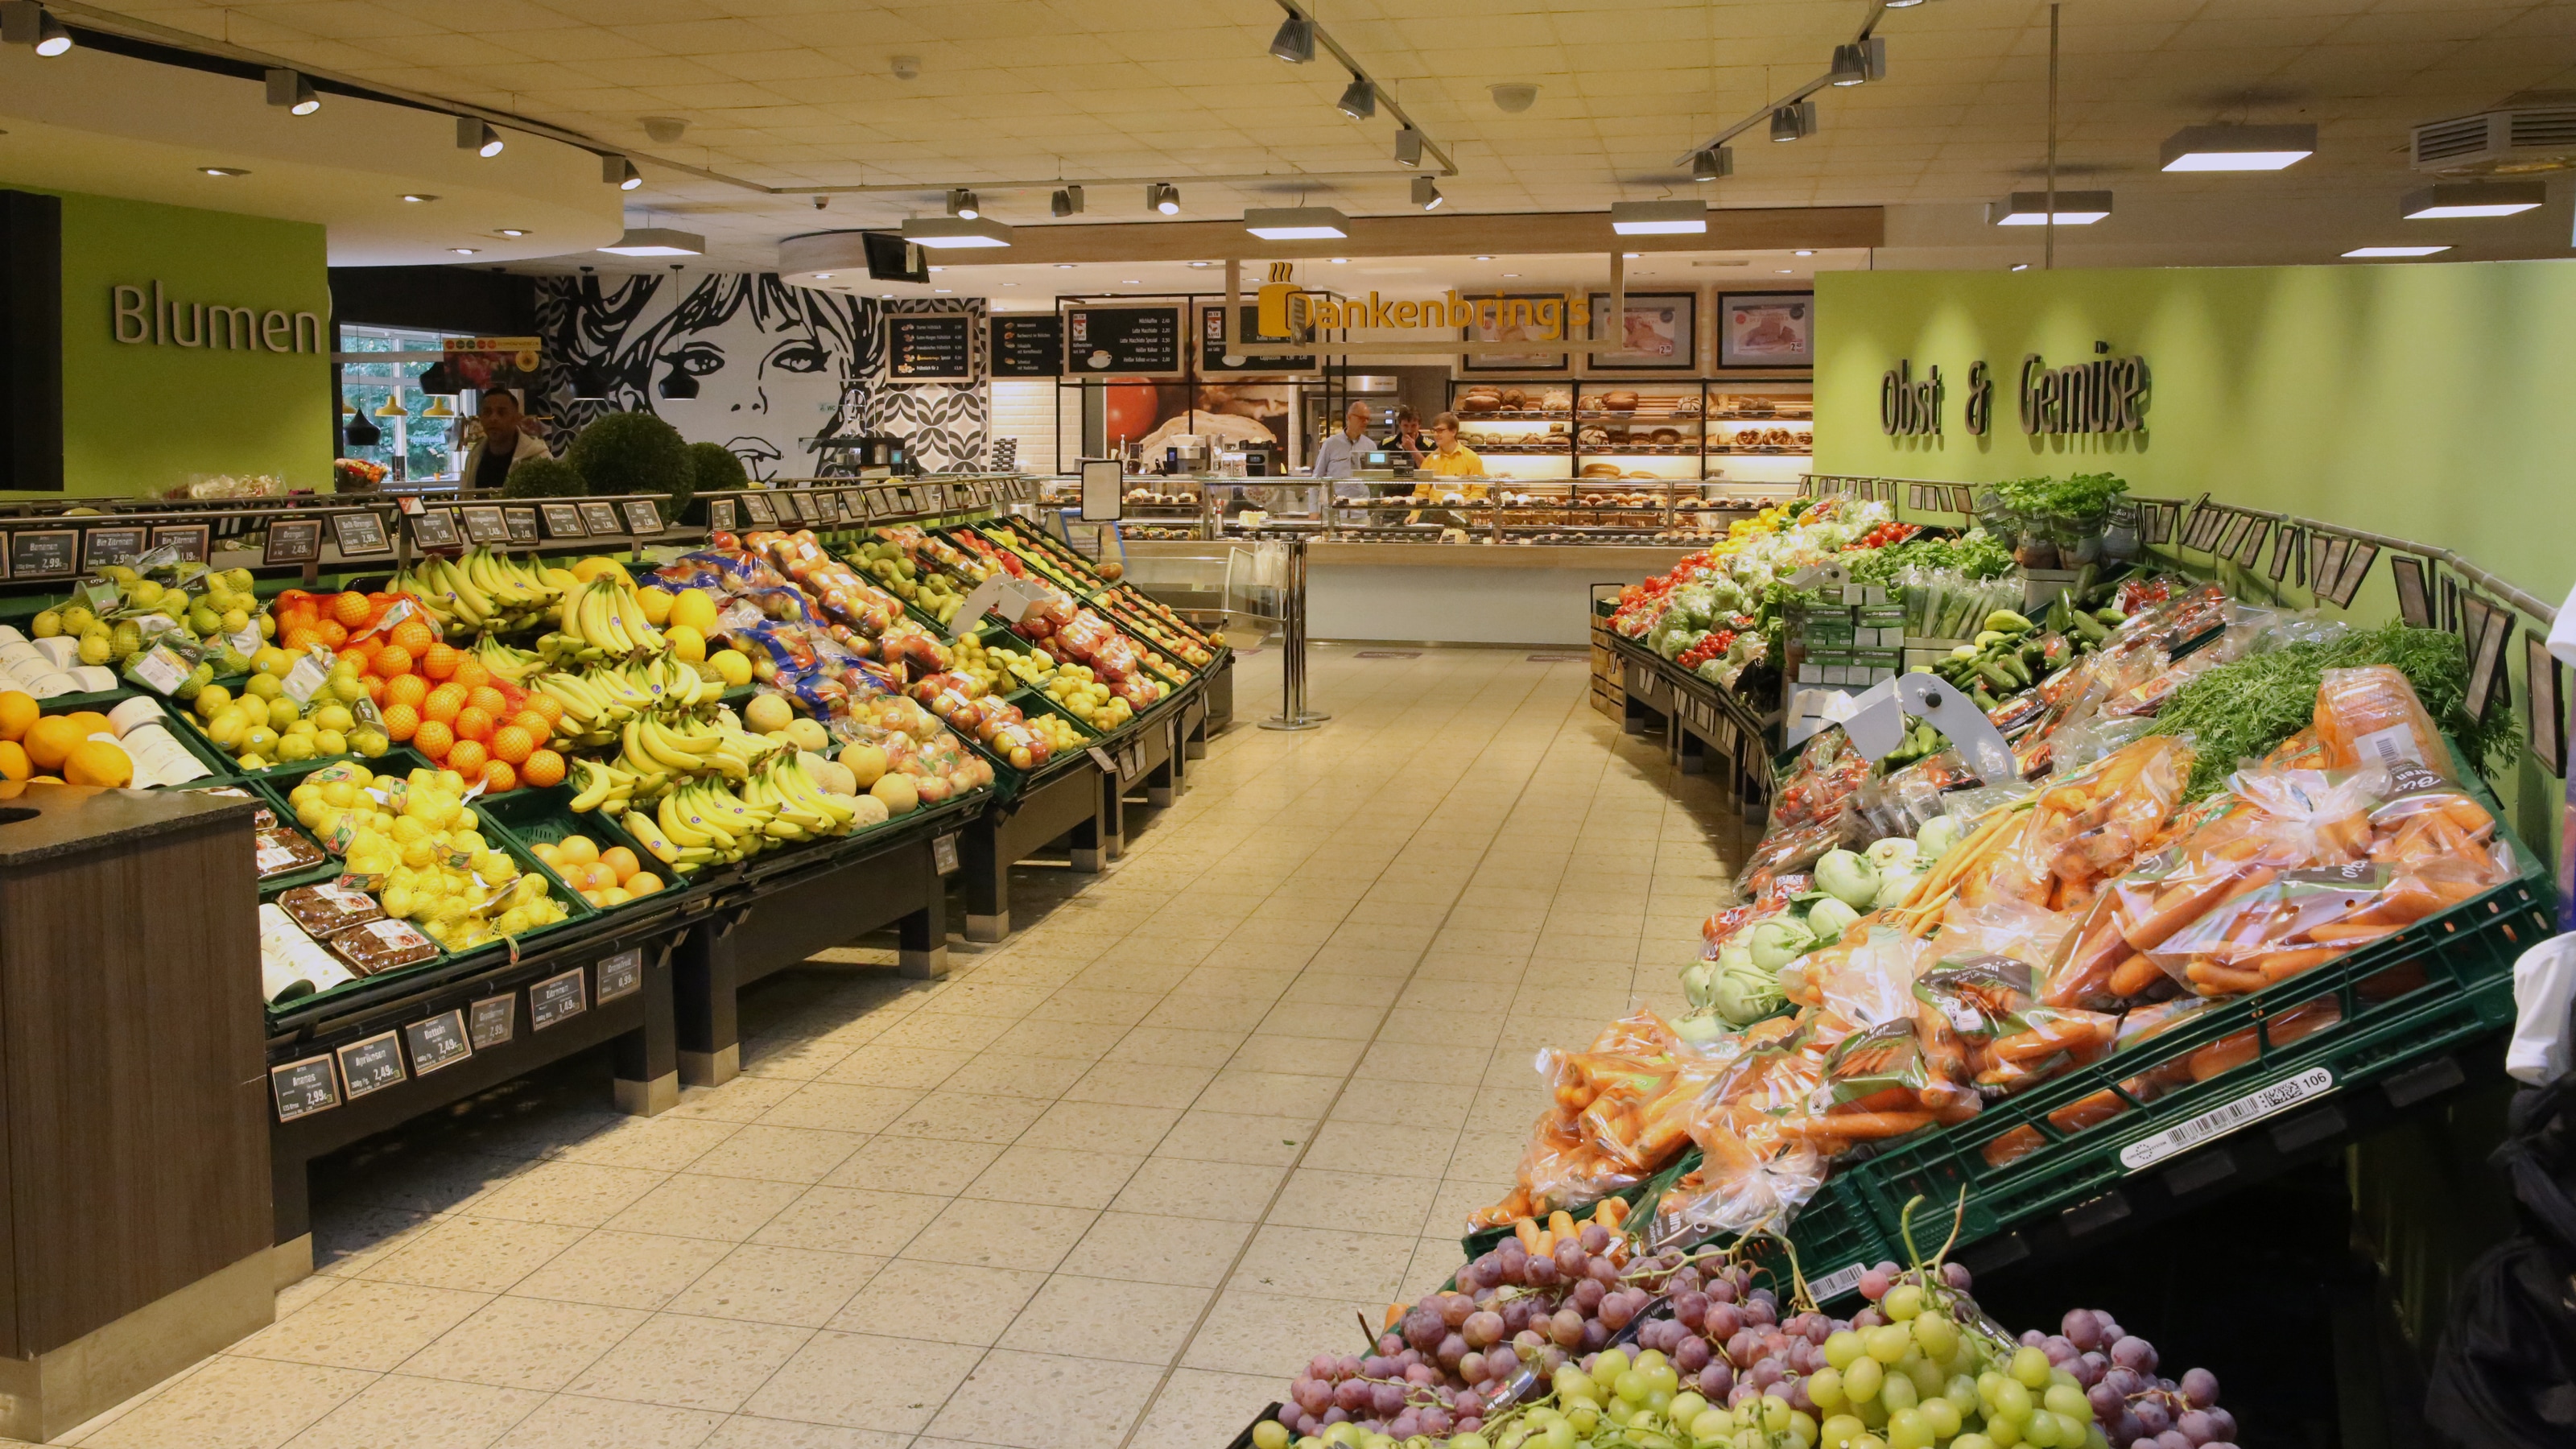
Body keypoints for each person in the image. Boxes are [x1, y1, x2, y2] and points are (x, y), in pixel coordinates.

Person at [460, 390, 551, 491]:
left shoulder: (539, 459)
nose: (493, 418)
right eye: (487, 412)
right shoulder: (474, 456)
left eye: (502, 413)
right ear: (481, 418)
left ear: (517, 418)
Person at [1310, 400, 1374, 480]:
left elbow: (1376, 477)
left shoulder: (1371, 446)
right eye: (1362, 418)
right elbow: (1318, 476)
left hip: (1362, 489)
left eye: (1368, 419)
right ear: (1349, 417)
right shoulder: (1330, 444)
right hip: (1337, 489)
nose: (1365, 422)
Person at [1389, 403, 1428, 470]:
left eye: (1413, 426)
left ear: (1419, 425)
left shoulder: (1430, 446)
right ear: (1400, 425)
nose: (1409, 430)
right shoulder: (1387, 444)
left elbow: (1431, 470)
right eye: (1405, 426)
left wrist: (1412, 449)